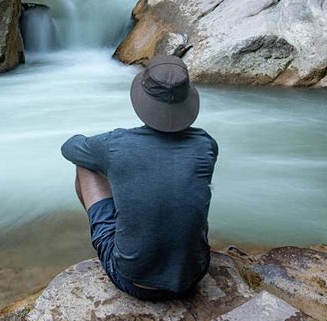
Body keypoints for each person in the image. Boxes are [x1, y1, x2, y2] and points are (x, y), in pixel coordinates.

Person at [61, 55, 218, 301]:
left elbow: (68, 148)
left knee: (85, 164)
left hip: (134, 280)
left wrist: (105, 157)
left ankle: (116, 238)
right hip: (193, 275)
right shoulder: (206, 145)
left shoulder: (116, 144)